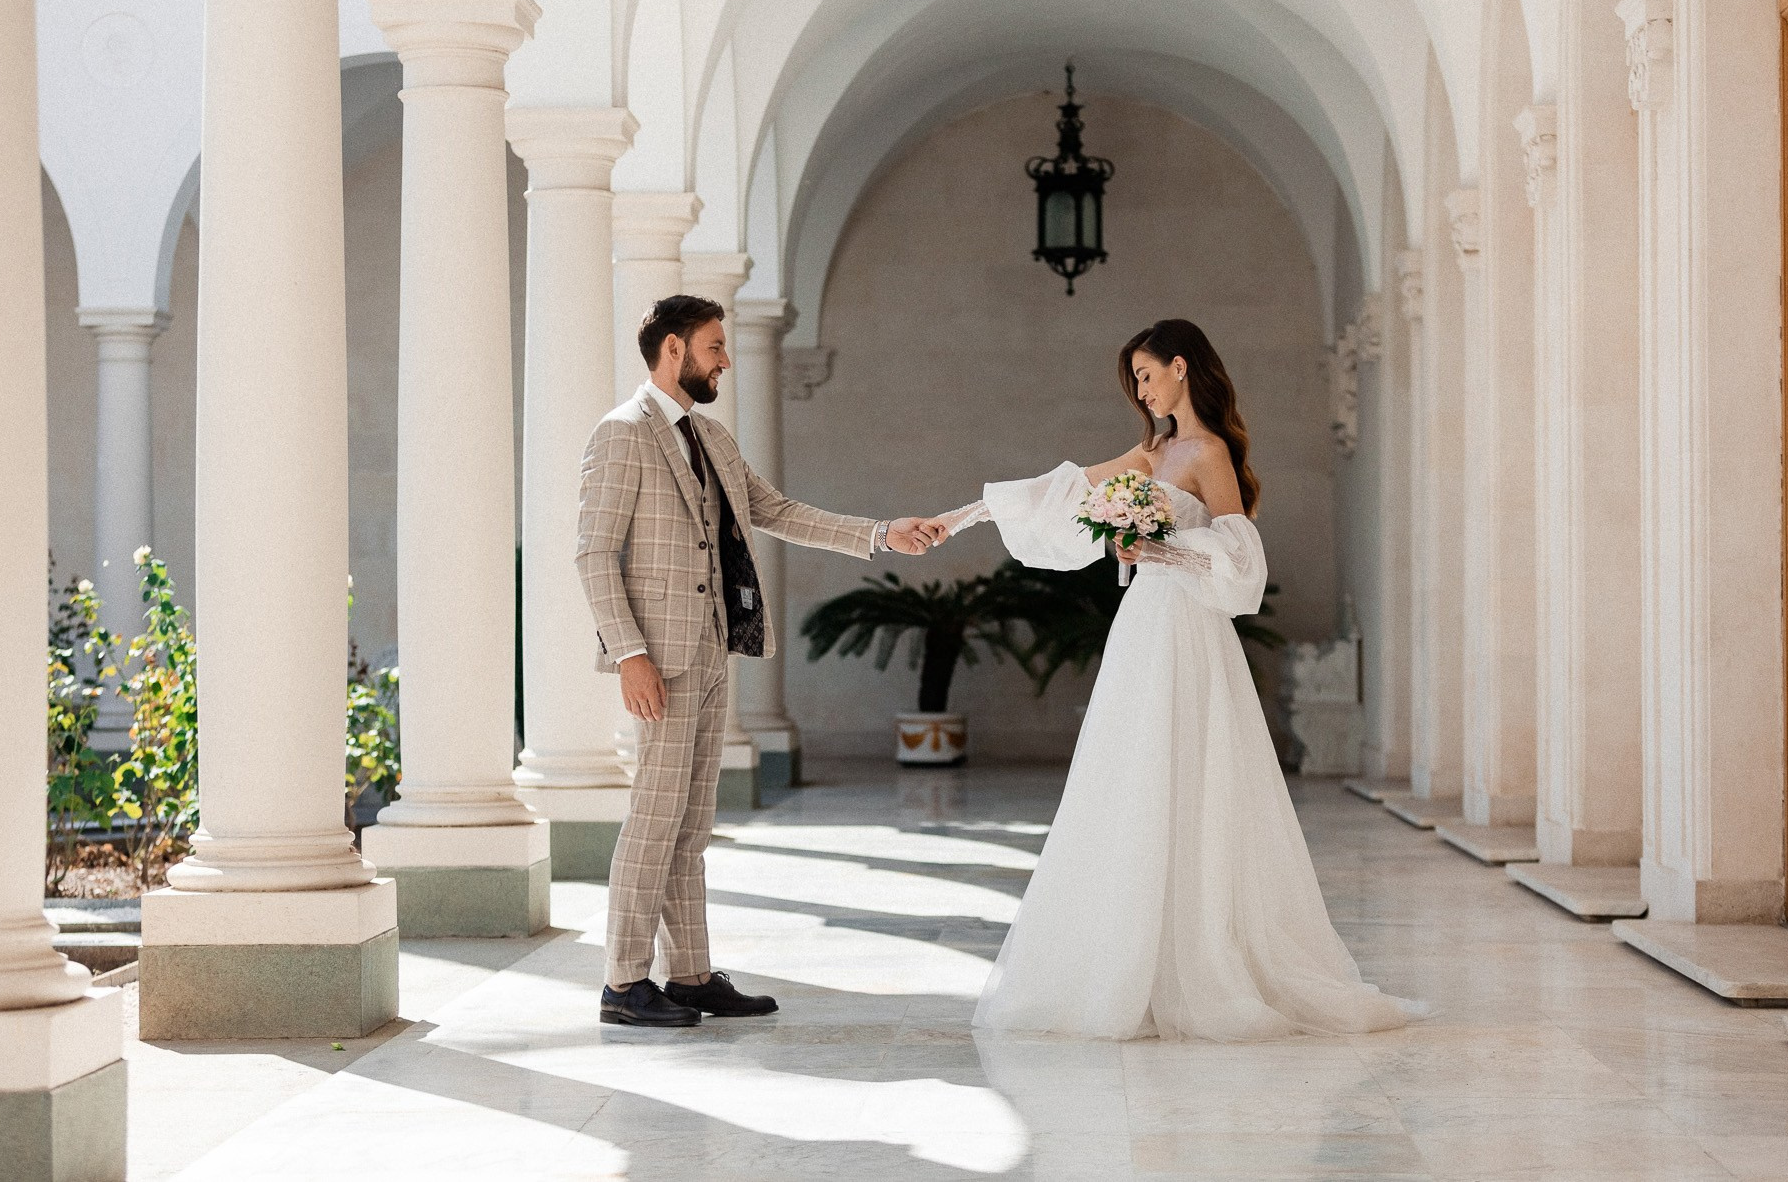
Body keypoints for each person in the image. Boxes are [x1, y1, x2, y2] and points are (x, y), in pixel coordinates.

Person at [933, 318, 1422, 1041]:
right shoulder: (1152, 450)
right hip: (1142, 630)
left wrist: (1160, 550)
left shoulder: (1208, 452)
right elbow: (1064, 487)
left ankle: (1203, 963)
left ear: (1181, 367)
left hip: (1190, 630)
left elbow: (1242, 557)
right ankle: (1132, 963)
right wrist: (959, 516)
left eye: (1146, 373)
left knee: (1194, 778)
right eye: (1134, 378)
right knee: (1130, 779)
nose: (1140, 387)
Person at [577, 294, 948, 1028]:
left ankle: (687, 973)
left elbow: (779, 511)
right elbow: (593, 553)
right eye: (715, 347)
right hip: (659, 658)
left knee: (691, 824)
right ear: (675, 350)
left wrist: (882, 533)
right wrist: (629, 654)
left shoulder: (710, 436)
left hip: (713, 651)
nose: (724, 361)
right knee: (653, 819)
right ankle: (624, 981)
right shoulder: (622, 433)